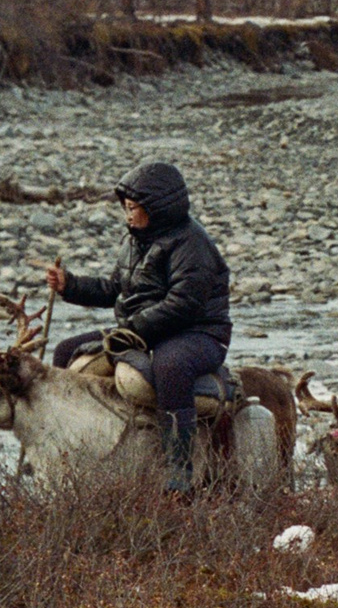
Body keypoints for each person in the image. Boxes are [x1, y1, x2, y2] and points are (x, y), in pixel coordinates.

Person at [44, 162, 230, 494]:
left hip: (197, 334)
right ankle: (62, 443)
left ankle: (179, 466)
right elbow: (113, 289)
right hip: (143, 331)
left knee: (170, 366)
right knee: (65, 350)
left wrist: (131, 330)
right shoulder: (135, 241)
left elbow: (184, 304)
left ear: (157, 208)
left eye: (133, 208)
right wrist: (69, 285)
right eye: (126, 208)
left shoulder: (192, 244)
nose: (127, 216)